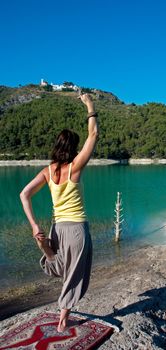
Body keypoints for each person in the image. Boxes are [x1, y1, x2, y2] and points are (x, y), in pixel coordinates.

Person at [20, 93, 98, 332]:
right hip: (76, 230)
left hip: (57, 228)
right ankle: (63, 316)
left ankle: (46, 249)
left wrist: (34, 225)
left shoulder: (47, 171)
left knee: (64, 267)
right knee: (76, 273)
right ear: (73, 148)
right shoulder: (75, 168)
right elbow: (93, 134)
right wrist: (89, 105)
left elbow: (24, 194)